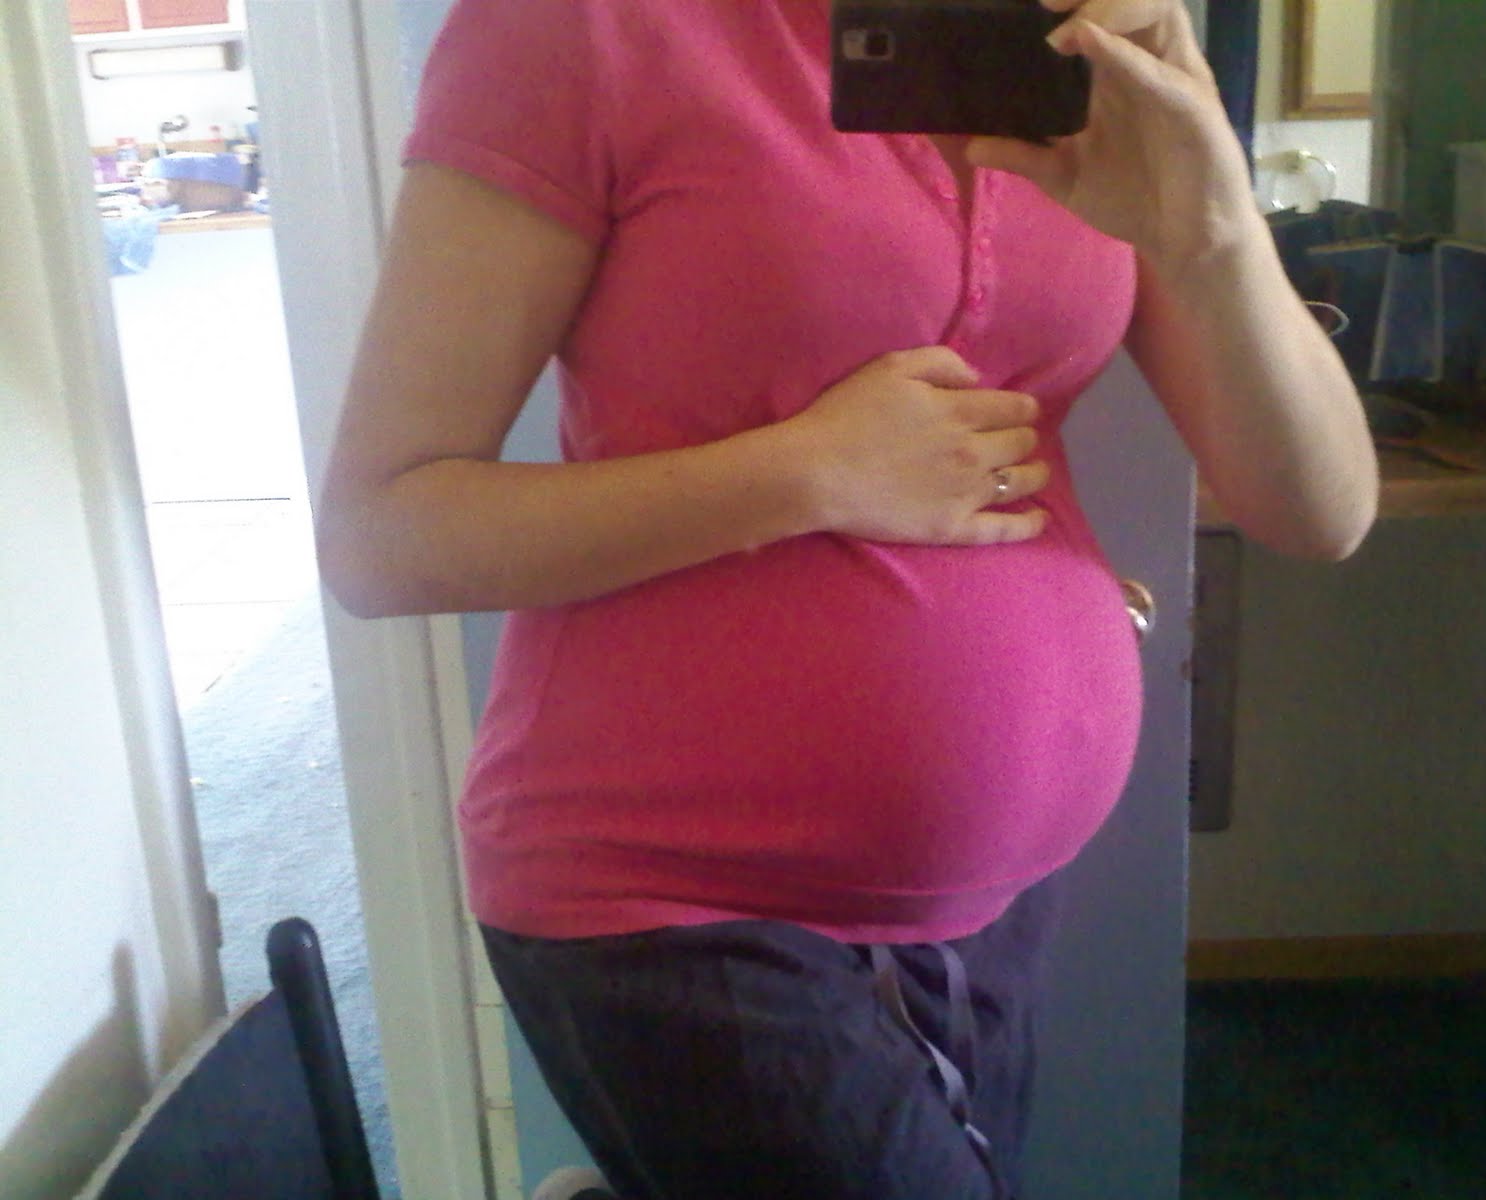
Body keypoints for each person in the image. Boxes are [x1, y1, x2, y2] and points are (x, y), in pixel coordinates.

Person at [317, 0, 1378, 1196]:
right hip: (672, 894)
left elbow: (1320, 510)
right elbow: (380, 534)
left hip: (988, 901)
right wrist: (807, 472)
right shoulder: (577, 29)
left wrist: (1214, 230)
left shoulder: (1081, 43)